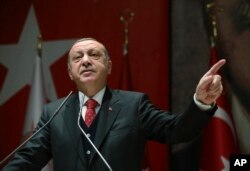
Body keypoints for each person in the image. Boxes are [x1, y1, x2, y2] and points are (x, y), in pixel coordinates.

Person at [2, 38, 225, 171]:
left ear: (108, 66)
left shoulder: (133, 104)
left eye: (94, 55)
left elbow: (177, 131)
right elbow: (27, 159)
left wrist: (201, 102)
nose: (86, 60)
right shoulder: (54, 112)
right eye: (77, 58)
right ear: (70, 72)